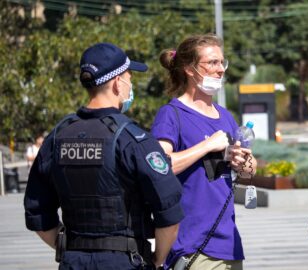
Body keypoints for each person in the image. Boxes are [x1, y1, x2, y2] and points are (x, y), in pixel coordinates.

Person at [24, 42, 184, 270]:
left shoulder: (57, 136)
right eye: (130, 77)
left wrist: (69, 248)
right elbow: (169, 214)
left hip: (73, 261)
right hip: (126, 261)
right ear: (118, 82)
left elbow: (37, 211)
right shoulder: (133, 139)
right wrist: (157, 259)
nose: (130, 86)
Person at [151, 34, 257, 270]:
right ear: (190, 69)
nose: (220, 70)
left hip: (228, 243)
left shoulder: (225, 116)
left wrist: (245, 162)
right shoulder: (171, 114)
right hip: (192, 246)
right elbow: (160, 166)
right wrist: (207, 146)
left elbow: (249, 169)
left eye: (222, 62)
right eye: (212, 63)